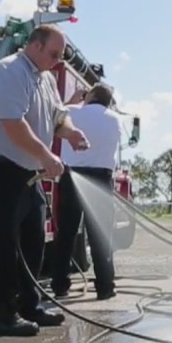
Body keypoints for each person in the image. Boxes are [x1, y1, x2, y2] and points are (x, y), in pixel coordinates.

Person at [0, 24, 89, 338]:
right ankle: (3, 315)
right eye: (53, 54)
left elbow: (57, 118)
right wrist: (47, 156)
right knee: (3, 245)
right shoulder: (8, 72)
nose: (57, 61)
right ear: (35, 46)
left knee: (33, 242)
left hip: (25, 172)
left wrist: (71, 133)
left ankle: (28, 305)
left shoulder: (47, 79)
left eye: (60, 55)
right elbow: (12, 123)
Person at [51, 82, 122, 300]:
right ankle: (105, 286)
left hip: (72, 177)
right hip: (101, 179)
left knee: (66, 234)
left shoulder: (73, 111)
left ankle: (60, 284)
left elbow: (53, 115)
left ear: (89, 97)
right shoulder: (114, 119)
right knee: (101, 235)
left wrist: (73, 101)